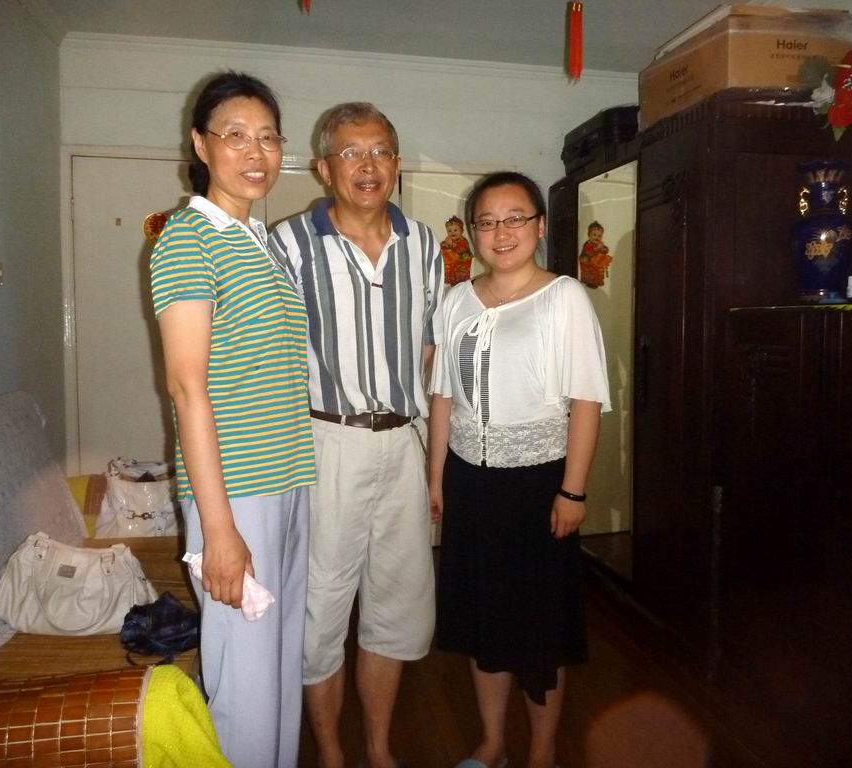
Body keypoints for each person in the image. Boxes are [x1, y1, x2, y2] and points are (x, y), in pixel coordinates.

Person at [269, 102, 444, 768]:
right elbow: (269, 358)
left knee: (397, 608)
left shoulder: (424, 244)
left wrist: (432, 459)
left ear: (396, 164)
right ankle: (332, 754)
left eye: (380, 151)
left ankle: (379, 749)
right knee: (320, 609)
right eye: (351, 152)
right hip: (325, 444)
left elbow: (430, 354)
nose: (367, 165)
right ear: (323, 168)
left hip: (403, 443)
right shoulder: (287, 243)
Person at [149, 72, 315, 767]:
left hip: (289, 481)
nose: (256, 152)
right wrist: (218, 531)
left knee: (277, 671)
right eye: (236, 134)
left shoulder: (260, 242)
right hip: (238, 495)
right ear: (201, 144)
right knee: (245, 686)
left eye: (269, 137)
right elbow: (187, 390)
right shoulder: (186, 239)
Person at [427, 171, 610, 768]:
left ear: (539, 225)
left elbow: (586, 400)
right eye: (486, 222)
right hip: (469, 481)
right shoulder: (456, 299)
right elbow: (443, 396)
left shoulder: (564, 297)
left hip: (538, 484)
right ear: (472, 231)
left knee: (539, 627)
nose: (500, 233)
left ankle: (542, 752)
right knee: (483, 619)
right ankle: (493, 743)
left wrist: (573, 491)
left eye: (514, 219)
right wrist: (435, 479)